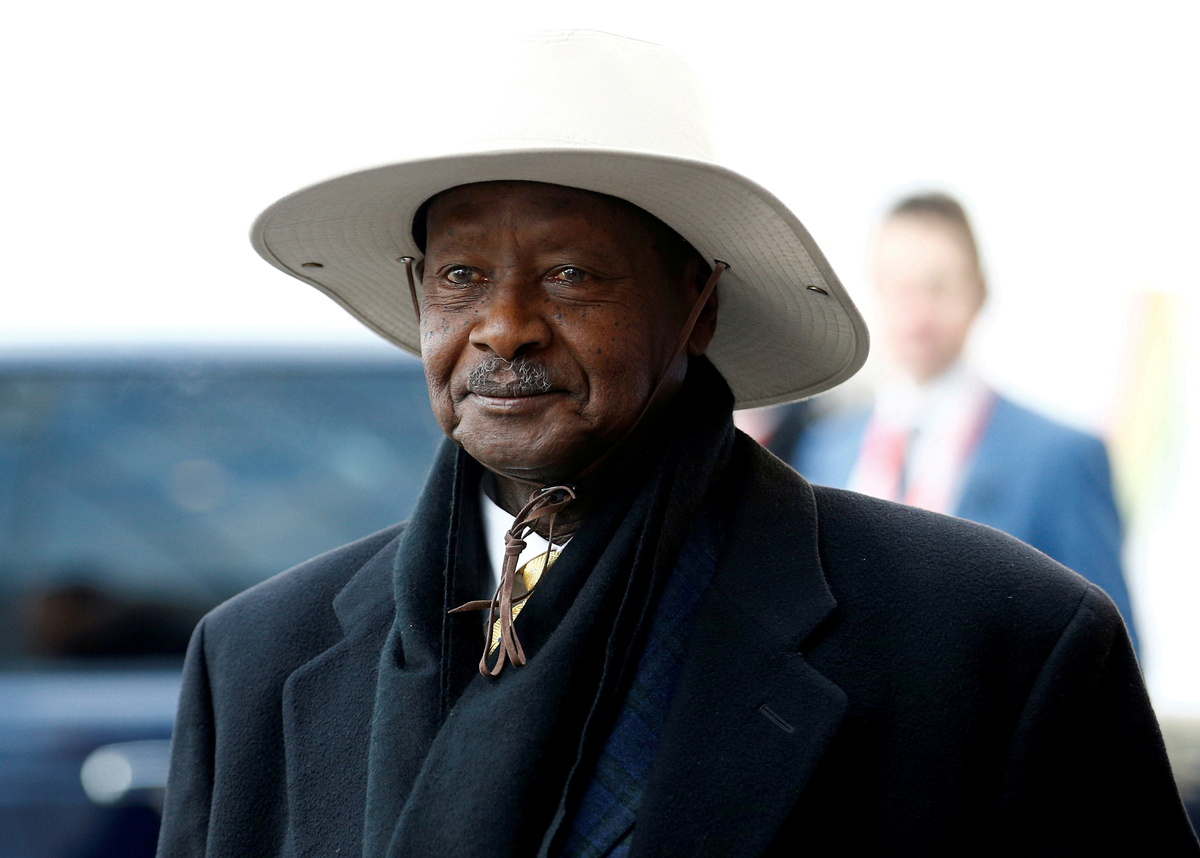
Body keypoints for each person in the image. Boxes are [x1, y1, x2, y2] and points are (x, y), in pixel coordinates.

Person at [156, 31, 1196, 856]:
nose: (504, 326)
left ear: (698, 304)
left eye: (569, 274)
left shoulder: (994, 644)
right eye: (461, 277)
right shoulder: (253, 664)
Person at [791, 192, 1139, 649]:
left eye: (938, 288)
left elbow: (1110, 652)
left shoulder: (1060, 458)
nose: (917, 315)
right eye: (895, 287)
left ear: (979, 292)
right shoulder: (824, 450)